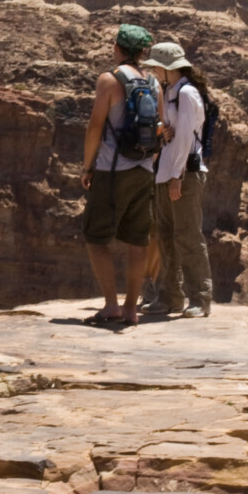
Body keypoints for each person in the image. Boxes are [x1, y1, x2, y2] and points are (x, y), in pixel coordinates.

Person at [79, 24, 159, 327]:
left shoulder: (109, 80)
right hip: (143, 170)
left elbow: (96, 126)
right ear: (142, 52)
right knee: (137, 241)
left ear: (118, 48)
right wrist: (148, 163)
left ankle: (111, 305)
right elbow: (160, 130)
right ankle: (130, 309)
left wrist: (88, 167)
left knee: (96, 237)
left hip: (112, 171)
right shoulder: (154, 83)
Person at [140, 42, 214, 318]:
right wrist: (164, 133)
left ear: (167, 67)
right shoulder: (171, 92)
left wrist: (176, 177)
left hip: (182, 174)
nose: (155, 71)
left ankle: (200, 297)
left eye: (156, 66)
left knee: (188, 237)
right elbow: (174, 133)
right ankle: (169, 297)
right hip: (166, 172)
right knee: (167, 237)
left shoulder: (186, 93)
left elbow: (185, 138)